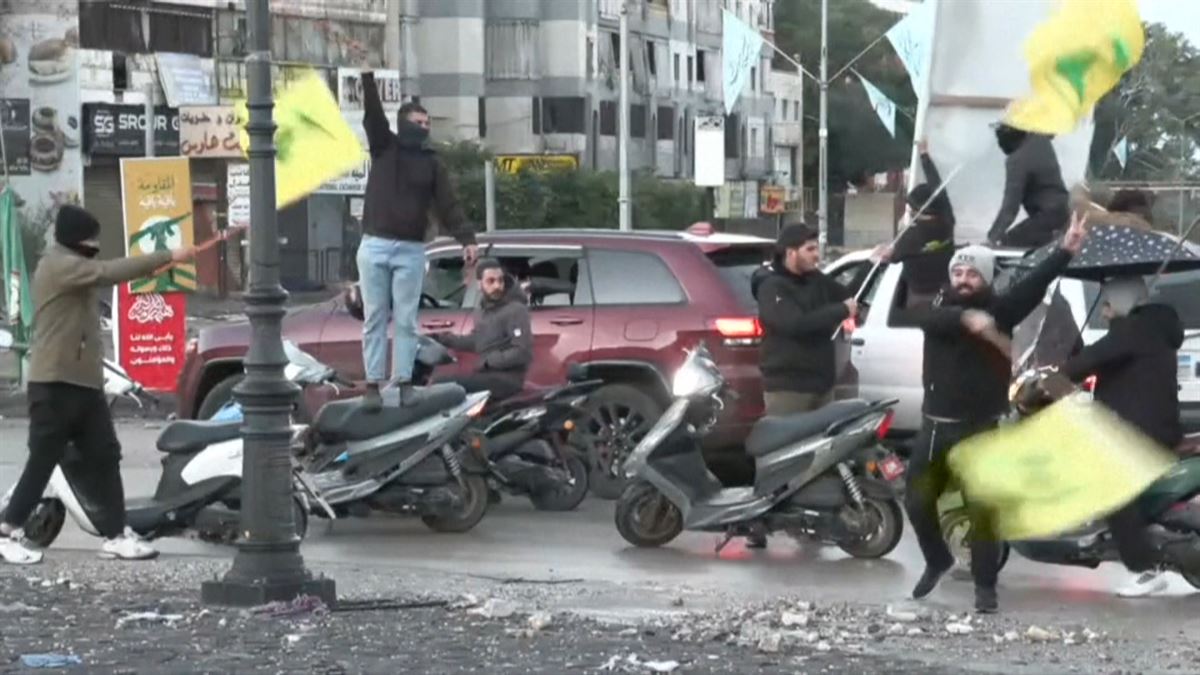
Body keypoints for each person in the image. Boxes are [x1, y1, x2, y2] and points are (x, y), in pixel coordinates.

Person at [901, 212, 1087, 613]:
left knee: (982, 510)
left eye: (972, 274)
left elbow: (1033, 285)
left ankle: (986, 588)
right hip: (935, 427)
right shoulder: (940, 308)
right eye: (959, 273)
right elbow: (923, 316)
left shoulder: (1001, 312)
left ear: (986, 279)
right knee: (916, 502)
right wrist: (966, 318)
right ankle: (938, 559)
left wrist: (1065, 250)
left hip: (980, 427)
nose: (963, 280)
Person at [0, 205, 195, 565]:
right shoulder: (59, 264)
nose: (95, 244)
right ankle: (7, 529)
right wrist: (169, 254)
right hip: (53, 384)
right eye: (91, 238)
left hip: (85, 386)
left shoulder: (75, 266)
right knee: (43, 460)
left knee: (105, 455)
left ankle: (117, 534)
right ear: (75, 239)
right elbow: (108, 272)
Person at [358, 71, 478, 412]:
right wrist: (368, 76)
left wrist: (466, 238)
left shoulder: (432, 162)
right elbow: (373, 114)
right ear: (403, 124)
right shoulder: (384, 146)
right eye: (418, 121)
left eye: (427, 122)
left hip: (411, 249)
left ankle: (405, 383)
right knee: (375, 318)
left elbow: (448, 204)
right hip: (375, 245)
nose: (424, 127)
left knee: (407, 320)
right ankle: (372, 385)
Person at [1061, 276, 1182, 598]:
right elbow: (1102, 358)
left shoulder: (1133, 330)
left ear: (1125, 302)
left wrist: (1055, 373)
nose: (1103, 313)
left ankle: (1145, 569)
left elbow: (1087, 362)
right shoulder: (1151, 329)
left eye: (1108, 304)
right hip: (1149, 425)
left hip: (1138, 429)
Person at [753, 223, 855, 416]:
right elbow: (795, 324)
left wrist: (873, 262)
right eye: (810, 249)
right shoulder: (772, 286)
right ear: (791, 253)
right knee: (788, 443)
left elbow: (847, 294)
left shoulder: (814, 278)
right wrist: (840, 310)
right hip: (789, 388)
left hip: (821, 384)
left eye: (816, 248)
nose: (817, 255)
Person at [432, 259, 533, 403]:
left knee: (442, 385)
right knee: (440, 384)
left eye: (500, 281)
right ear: (479, 284)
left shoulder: (516, 310)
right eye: (490, 281)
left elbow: (522, 351)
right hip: (486, 375)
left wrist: (489, 361)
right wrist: (443, 339)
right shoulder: (482, 310)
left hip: (507, 380)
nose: (497, 286)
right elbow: (478, 340)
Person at [881, 139, 957, 305]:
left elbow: (890, 258)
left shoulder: (911, 236)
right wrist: (924, 156)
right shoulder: (947, 223)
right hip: (948, 297)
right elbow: (939, 190)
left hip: (919, 302)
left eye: (911, 206)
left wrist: (882, 252)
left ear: (917, 210)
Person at [986, 123, 1071, 248]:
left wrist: (992, 237)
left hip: (1047, 216)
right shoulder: (1040, 140)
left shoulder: (1017, 160)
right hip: (1063, 209)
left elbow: (1010, 207)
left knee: (1007, 244)